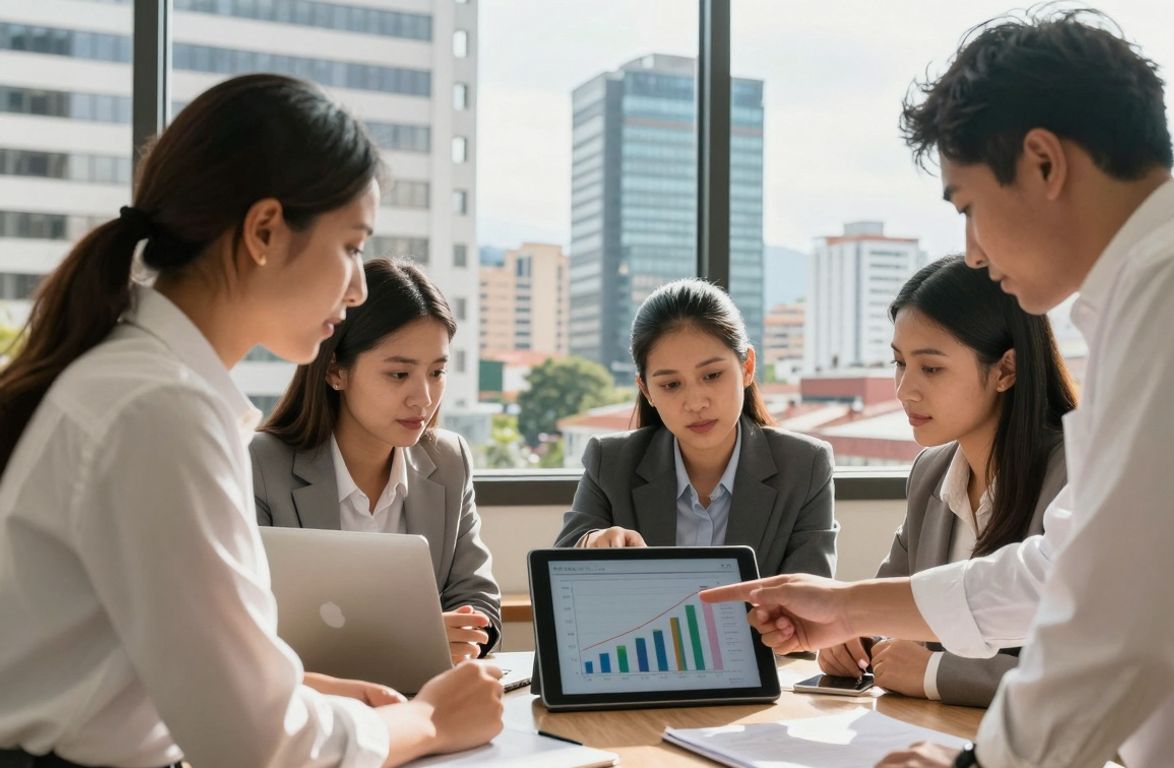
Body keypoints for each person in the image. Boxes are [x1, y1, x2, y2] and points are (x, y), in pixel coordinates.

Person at [703, 9, 1174, 768]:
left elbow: (1117, 618)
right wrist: (845, 606)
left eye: (968, 207)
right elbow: (1065, 567)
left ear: (1045, 163)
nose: (973, 252)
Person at [0, 74, 502, 768]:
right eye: (352, 246)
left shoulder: (141, 384)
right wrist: (426, 722)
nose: (357, 289)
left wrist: (297, 688)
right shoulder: (158, 410)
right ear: (265, 230)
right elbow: (258, 746)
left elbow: (142, 670)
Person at [816, 256, 1073, 707]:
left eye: (930, 368)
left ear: (1006, 370)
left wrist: (938, 672)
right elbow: (885, 608)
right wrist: (850, 638)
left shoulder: (1077, 473)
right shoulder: (930, 471)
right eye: (899, 363)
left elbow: (1093, 673)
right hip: (939, 737)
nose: (904, 390)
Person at [253, 258, 502, 663]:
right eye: (399, 375)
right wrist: (407, 642)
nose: (423, 398)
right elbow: (249, 626)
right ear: (336, 370)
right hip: (315, 702)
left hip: (428, 696)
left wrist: (464, 634)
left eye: (437, 372)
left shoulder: (449, 459)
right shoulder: (262, 466)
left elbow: (478, 598)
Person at [555, 278, 837, 579]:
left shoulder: (805, 465)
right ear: (647, 390)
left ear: (747, 367)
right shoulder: (610, 461)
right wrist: (591, 544)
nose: (695, 402)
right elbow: (561, 567)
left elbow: (811, 596)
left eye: (712, 375)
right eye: (671, 384)